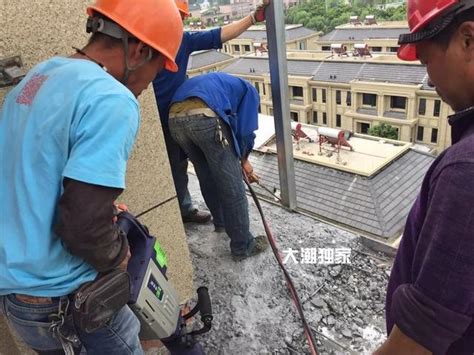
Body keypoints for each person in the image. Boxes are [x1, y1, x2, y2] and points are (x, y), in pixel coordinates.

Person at [0, 0, 182, 354]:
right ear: (140, 50)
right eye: (158, 69)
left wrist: (101, 209)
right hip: (67, 298)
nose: (150, 85)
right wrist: (118, 255)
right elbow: (82, 225)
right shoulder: (111, 98)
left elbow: (33, 180)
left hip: (21, 300)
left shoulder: (39, 78)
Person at [375, 1, 474, 354]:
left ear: (467, 39)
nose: (429, 78)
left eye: (427, 60)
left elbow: (419, 339)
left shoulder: (466, 170)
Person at [153, 0, 270, 226]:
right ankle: (239, 240)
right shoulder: (145, 43)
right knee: (216, 177)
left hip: (175, 114)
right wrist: (244, 160)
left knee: (184, 166)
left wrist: (253, 18)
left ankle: (190, 212)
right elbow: (244, 131)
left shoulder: (182, 41)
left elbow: (218, 35)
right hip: (156, 118)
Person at [168, 72, 268, 260]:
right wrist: (244, 160)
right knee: (233, 188)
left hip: (174, 120)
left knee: (207, 176)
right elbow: (246, 130)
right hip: (205, 117)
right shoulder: (250, 92)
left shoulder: (222, 84)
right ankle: (242, 246)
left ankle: (221, 222)